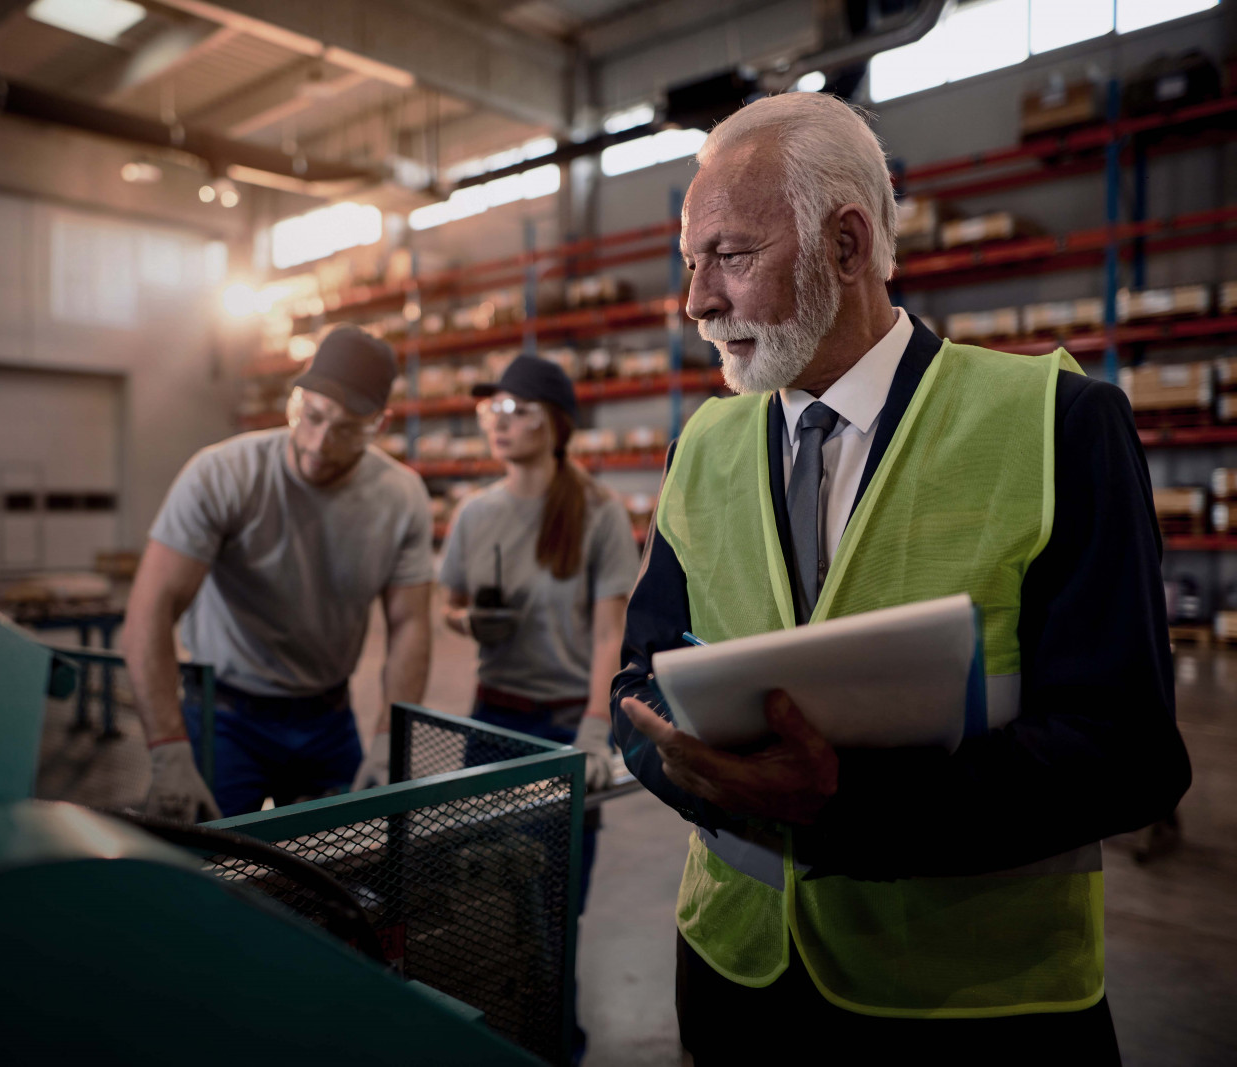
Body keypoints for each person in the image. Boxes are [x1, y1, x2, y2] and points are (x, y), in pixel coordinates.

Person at [609, 92, 1192, 1062]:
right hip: (733, 979)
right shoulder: (702, 447)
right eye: (690, 262)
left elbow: (1129, 754)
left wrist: (846, 804)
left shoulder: (1056, 425)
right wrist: (708, 778)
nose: (696, 301)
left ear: (845, 248)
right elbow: (638, 682)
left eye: (731, 256)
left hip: (967, 1009)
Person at [122, 324, 434, 821]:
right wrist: (168, 750)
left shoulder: (400, 497)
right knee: (211, 873)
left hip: (328, 719)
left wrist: (388, 741)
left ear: (379, 423)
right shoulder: (223, 475)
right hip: (225, 718)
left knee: (344, 875)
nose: (318, 444)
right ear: (297, 399)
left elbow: (411, 624)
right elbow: (150, 610)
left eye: (348, 429)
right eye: (310, 417)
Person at [440, 354, 638, 1064]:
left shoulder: (598, 513)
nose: (501, 421)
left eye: (519, 410)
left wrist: (594, 727)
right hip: (490, 723)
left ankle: (556, 1043)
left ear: (556, 424)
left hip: (563, 728)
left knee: (556, 901)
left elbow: (610, 630)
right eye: (494, 408)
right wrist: (469, 625)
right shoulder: (475, 514)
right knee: (486, 902)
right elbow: (451, 603)